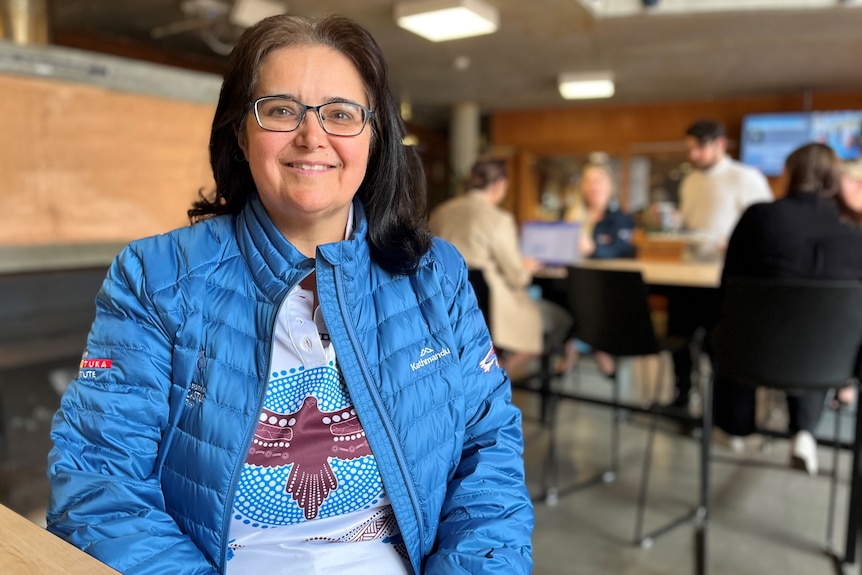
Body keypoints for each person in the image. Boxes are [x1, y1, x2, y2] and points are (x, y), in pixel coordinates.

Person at [46, 15, 533, 575]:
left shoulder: (436, 274)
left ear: (373, 140)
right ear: (239, 131)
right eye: (281, 110)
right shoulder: (154, 277)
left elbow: (489, 450)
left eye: (341, 114)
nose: (312, 135)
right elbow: (98, 480)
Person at [714, 142, 862, 474]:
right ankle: (804, 430)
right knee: (818, 330)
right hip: (828, 363)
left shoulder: (758, 217)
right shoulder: (854, 230)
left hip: (752, 355)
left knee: (738, 326)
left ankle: (735, 426)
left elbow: (727, 288)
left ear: (789, 174)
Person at [666, 119, 775, 411]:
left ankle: (721, 412)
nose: (694, 156)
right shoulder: (690, 180)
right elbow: (691, 224)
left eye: (700, 148)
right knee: (679, 343)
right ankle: (682, 398)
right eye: (690, 149)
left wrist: (736, 243)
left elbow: (765, 228)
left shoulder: (746, 177)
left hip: (723, 278)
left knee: (718, 349)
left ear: (720, 144)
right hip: (690, 273)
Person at [428, 158, 571, 375]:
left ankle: (480, 371)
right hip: (491, 310)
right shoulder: (498, 219)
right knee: (559, 320)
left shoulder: (440, 213)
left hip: (445, 308)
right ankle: (498, 375)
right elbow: (517, 278)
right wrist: (526, 267)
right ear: (499, 185)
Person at [558, 162, 637, 375]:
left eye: (599, 180)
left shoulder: (621, 218)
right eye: (589, 181)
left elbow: (623, 250)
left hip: (608, 287)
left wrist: (594, 248)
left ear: (610, 185)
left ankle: (581, 342)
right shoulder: (571, 215)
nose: (594, 186)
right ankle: (586, 341)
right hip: (572, 284)